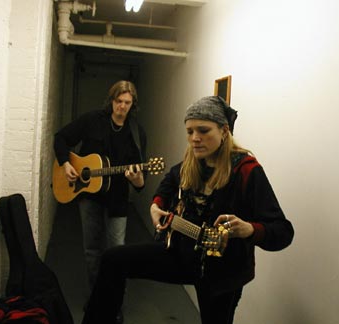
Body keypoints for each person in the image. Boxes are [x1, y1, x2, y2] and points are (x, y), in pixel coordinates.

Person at [81, 96, 294, 324]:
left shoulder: (246, 170)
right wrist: (156, 205)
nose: (194, 139)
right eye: (190, 131)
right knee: (113, 259)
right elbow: (168, 184)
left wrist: (250, 229)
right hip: (181, 255)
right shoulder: (191, 162)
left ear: (224, 131)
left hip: (222, 272)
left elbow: (282, 231)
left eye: (203, 130)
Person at [53, 80, 147, 305]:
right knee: (92, 251)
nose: (122, 107)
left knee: (118, 252)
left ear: (132, 104)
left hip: (118, 200)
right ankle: (96, 298)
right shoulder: (92, 120)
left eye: (127, 102)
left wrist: (137, 178)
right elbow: (61, 138)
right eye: (118, 101)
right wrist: (66, 163)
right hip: (89, 196)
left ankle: (114, 303)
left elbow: (141, 182)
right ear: (111, 100)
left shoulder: (136, 133)